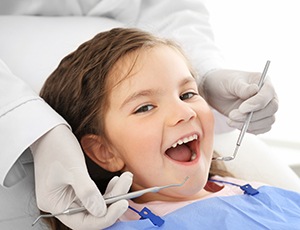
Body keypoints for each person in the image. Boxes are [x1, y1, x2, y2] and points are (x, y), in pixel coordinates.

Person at [0, 1, 278, 229]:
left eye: (187, 94)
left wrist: (208, 73)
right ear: (104, 151)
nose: (184, 112)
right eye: (144, 107)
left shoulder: (255, 190)